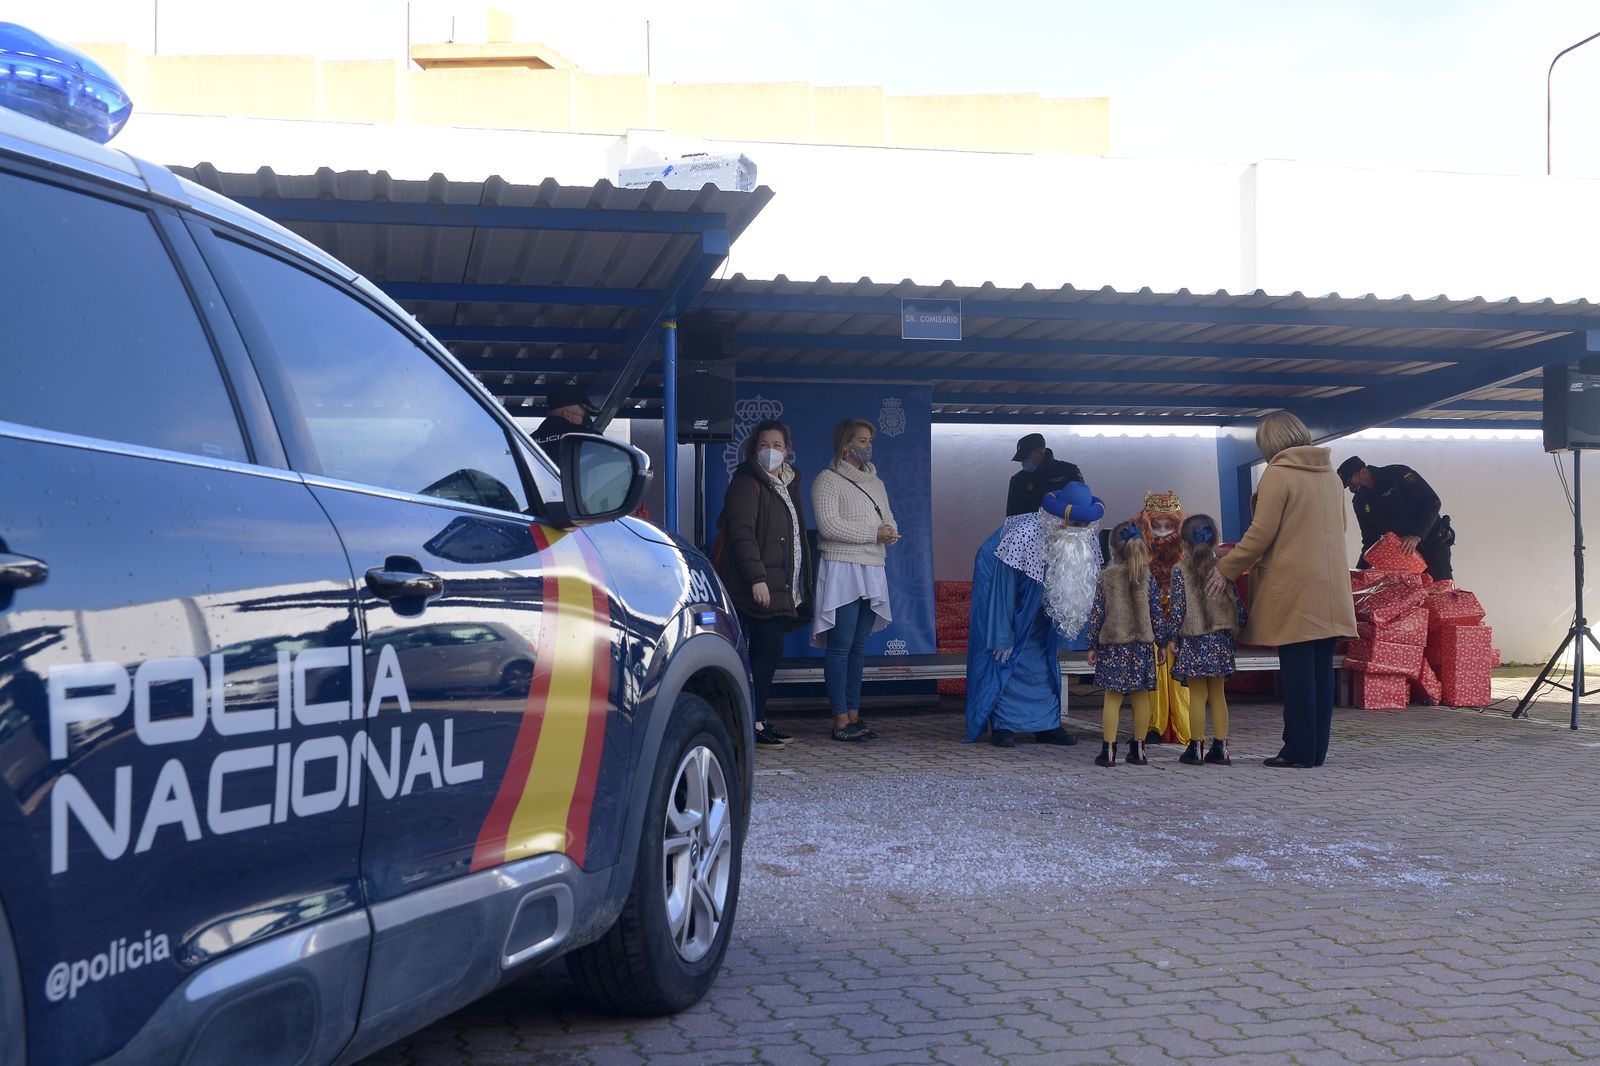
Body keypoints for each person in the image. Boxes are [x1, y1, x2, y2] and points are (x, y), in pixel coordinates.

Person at [1211, 412, 1358, 769]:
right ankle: (1315, 751)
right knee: (1321, 671)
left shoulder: (1278, 474)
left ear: (1270, 442)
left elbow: (1261, 533)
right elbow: (1339, 527)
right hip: (1331, 588)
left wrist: (1226, 568)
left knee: (1297, 672)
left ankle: (1296, 751)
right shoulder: (1331, 476)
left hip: (1295, 587)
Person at [965, 481, 1105, 747]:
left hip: (1042, 596)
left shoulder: (1084, 539)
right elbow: (1003, 588)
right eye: (1074, 523)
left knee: (1042, 651)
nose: (1080, 529)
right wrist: (1002, 633)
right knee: (1006, 653)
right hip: (1000, 579)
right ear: (1058, 520)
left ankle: (1047, 724)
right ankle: (1004, 725)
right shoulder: (1022, 536)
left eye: (1085, 523)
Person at [715, 419, 814, 748]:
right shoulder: (747, 482)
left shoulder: (788, 483)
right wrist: (757, 579)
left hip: (781, 586)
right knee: (764, 654)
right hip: (756, 587)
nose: (771, 451)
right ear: (753, 449)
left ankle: (757, 719)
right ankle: (751, 723)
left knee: (767, 654)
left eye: (777, 445)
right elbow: (742, 535)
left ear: (788, 450)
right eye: (764, 445)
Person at [811, 418, 897, 742]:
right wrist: (873, 533)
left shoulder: (877, 482)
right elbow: (829, 525)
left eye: (870, 441)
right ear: (846, 445)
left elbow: (887, 517)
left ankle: (855, 715)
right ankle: (840, 718)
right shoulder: (827, 480)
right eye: (862, 441)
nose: (868, 447)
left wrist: (890, 531)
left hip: (872, 566)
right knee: (841, 646)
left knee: (859, 647)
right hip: (842, 567)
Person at [1086, 521, 1169, 768]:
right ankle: (1139, 750)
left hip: (1114, 645)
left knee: (1112, 698)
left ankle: (1109, 751)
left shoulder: (1106, 578)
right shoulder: (1147, 577)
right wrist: (1162, 643)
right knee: (1140, 696)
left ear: (1113, 549)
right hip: (1142, 645)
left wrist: (1092, 644)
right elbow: (1156, 613)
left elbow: (1097, 614)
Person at [1170, 514, 1247, 767]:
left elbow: (1178, 609)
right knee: (1218, 695)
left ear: (1184, 543)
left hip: (1193, 639)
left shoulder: (1180, 570)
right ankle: (1222, 748)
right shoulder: (1223, 568)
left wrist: (1172, 637)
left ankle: (1196, 748)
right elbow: (1237, 603)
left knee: (1197, 696)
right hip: (1220, 640)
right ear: (1215, 540)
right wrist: (1240, 626)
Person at [1134, 491, 1192, 747]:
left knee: (1180, 677)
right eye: (1157, 526)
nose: (1163, 531)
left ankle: (1183, 724)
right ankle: (1152, 725)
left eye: (1169, 525)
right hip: (1150, 624)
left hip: (1180, 624)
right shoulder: (1138, 553)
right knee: (1152, 675)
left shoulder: (1187, 553)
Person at [1337, 456, 1455, 581]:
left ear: (1363, 472)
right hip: (1405, 554)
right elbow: (1370, 541)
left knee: (1442, 586)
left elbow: (1432, 502)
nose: (1351, 489)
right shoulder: (1360, 502)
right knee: (1412, 591)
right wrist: (1358, 575)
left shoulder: (1397, 474)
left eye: (1351, 482)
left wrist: (1416, 535)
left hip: (1432, 542)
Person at [1006, 432, 1084, 517]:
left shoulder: (1069, 471)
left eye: (1027, 457)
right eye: (1022, 459)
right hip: (1031, 525)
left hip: (1065, 524)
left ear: (1040, 452)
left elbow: (1083, 504)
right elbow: (1012, 518)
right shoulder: (1017, 481)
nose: (1024, 461)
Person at [530, 382, 597, 463]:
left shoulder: (528, 442)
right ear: (567, 415)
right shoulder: (590, 438)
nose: (588, 418)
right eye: (585, 414)